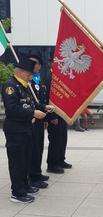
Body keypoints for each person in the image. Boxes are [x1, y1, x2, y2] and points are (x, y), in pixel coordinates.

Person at [1, 54, 54, 203]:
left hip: (26, 129)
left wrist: (44, 107)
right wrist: (33, 113)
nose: (31, 77)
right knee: (17, 162)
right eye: (29, 74)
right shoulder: (10, 86)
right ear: (21, 72)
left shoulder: (24, 85)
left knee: (25, 160)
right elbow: (12, 109)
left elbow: (32, 103)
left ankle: (24, 185)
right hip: (15, 130)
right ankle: (17, 193)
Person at [28, 54, 51, 189]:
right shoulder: (27, 81)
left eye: (34, 63)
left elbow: (42, 101)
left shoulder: (39, 79)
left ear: (39, 66)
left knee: (39, 147)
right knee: (32, 149)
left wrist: (45, 118)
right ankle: (32, 177)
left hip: (40, 118)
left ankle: (37, 172)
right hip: (30, 119)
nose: (32, 65)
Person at [46, 59, 72, 174]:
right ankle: (52, 164)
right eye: (55, 63)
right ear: (51, 63)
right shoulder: (49, 77)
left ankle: (61, 160)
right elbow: (47, 98)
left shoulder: (60, 76)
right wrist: (51, 117)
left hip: (62, 114)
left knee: (62, 139)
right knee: (55, 140)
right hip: (54, 115)